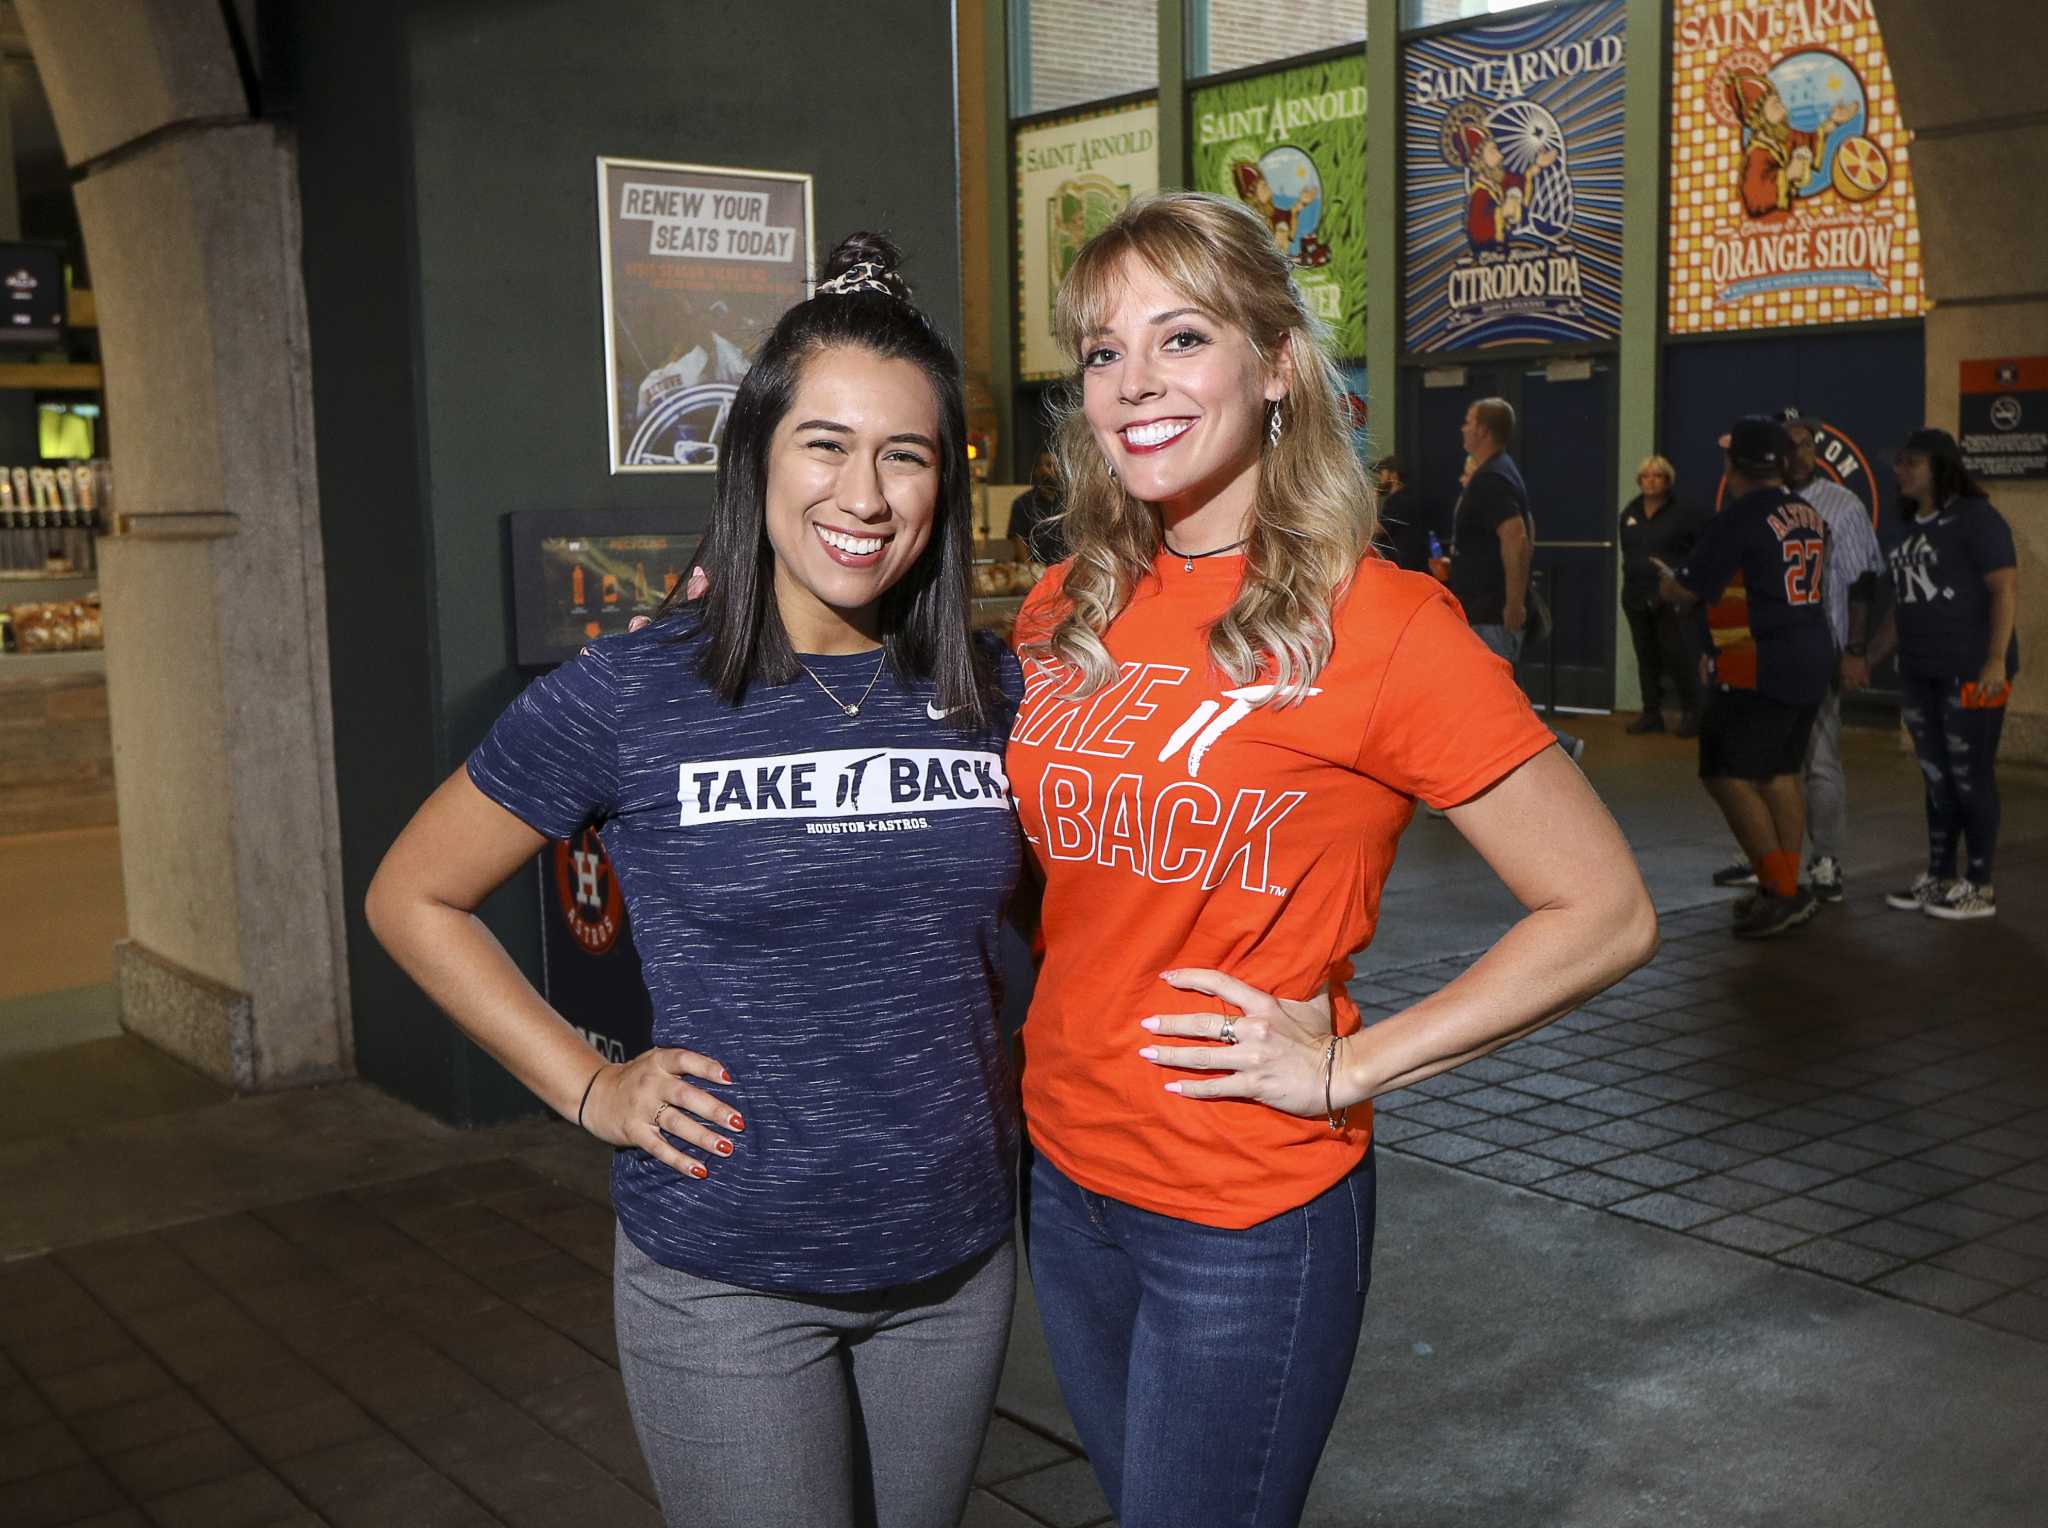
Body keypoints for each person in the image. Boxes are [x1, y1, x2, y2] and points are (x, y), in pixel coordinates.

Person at [1010, 190, 1657, 1528]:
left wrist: (1351, 1064)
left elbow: (1602, 910)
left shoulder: (1388, 625)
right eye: (1103, 351)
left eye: (1181, 339)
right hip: (1066, 1185)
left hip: (1242, 1211)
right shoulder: (1064, 605)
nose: (1134, 384)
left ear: (1277, 367)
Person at [366, 234, 1025, 1528]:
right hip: (729, 1275)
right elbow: (412, 896)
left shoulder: (994, 695)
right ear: (758, 459)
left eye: (908, 453)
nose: (867, 492)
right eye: (825, 443)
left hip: (955, 1265)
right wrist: (590, 1085)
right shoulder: (635, 693)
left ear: (946, 485)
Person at [1655, 416, 1833, 938]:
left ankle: (1780, 890)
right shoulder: (1809, 513)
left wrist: (1668, 584)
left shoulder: (1739, 517)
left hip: (1758, 664)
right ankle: (1784, 885)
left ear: (1736, 464)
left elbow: (1689, 589)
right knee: (1779, 772)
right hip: (1809, 655)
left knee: (1724, 772)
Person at [1860, 427, 2021, 921]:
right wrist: (1867, 658)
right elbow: (1901, 608)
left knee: (1971, 777)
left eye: (1912, 463)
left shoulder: (1978, 519)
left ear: (1940, 467)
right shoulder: (1910, 527)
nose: (1901, 472)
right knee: (1936, 778)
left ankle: (1979, 885)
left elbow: (2003, 590)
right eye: (1900, 463)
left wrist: (1995, 660)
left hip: (1972, 674)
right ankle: (1939, 876)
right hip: (1922, 673)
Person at [1777, 407, 1886, 903]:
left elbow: (1864, 582)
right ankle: (1770, 856)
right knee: (1766, 762)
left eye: (1806, 443)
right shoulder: (1760, 500)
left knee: (1820, 761)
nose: (1799, 453)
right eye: (1789, 443)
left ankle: (1825, 859)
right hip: (1769, 654)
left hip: (1822, 649)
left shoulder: (1841, 503)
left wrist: (1857, 649)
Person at [1449, 395, 1584, 761]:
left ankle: (1554, 751)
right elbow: (1526, 531)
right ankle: (1556, 750)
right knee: (1497, 694)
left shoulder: (1492, 478)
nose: (1462, 428)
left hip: (1490, 607)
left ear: (1481, 430)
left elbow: (1516, 537)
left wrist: (1513, 600)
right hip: (1485, 602)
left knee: (1493, 696)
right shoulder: (1500, 471)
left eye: (1467, 421)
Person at [1617, 453, 1705, 737]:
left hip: (1669, 596)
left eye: (1657, 475)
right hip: (1635, 595)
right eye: (1645, 476)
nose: (1650, 481)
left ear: (1668, 480)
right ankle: (1651, 713)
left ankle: (1692, 713)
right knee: (1646, 656)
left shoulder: (1683, 512)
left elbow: (1698, 549)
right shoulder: (1629, 512)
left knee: (1677, 655)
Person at [1373, 454, 1435, 574]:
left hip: (1401, 567)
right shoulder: (1405, 498)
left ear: (1393, 475)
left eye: (1382, 474)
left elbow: (1377, 529)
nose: (1380, 479)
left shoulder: (1399, 500)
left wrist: (1371, 503)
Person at [1009, 448, 1068, 564]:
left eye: (1057, 466)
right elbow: (1018, 540)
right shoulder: (1022, 503)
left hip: (1067, 571)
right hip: (1037, 572)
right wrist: (1031, 570)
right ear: (1036, 470)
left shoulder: (1070, 500)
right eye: (1048, 465)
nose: (1054, 470)